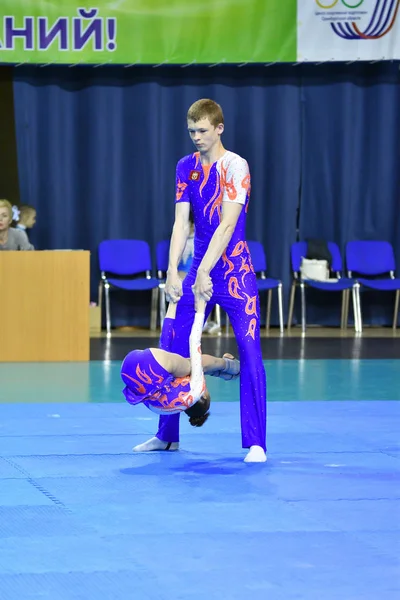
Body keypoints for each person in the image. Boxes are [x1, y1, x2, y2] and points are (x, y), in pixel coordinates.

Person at [134, 99, 267, 463]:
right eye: (191, 131)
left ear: (219, 128)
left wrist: (206, 271)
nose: (196, 137)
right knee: (172, 341)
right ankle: (167, 436)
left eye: (203, 131)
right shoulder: (185, 167)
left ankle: (256, 441)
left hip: (234, 271)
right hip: (199, 269)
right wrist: (172, 270)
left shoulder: (234, 166)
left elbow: (227, 225)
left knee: (250, 349)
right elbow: (181, 223)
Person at [121, 301, 240, 449]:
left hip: (148, 365)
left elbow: (192, 341)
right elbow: (165, 342)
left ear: (202, 395)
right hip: (129, 374)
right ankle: (228, 369)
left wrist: (199, 308)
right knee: (191, 365)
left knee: (198, 365)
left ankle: (231, 366)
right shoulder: (165, 403)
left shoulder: (190, 384)